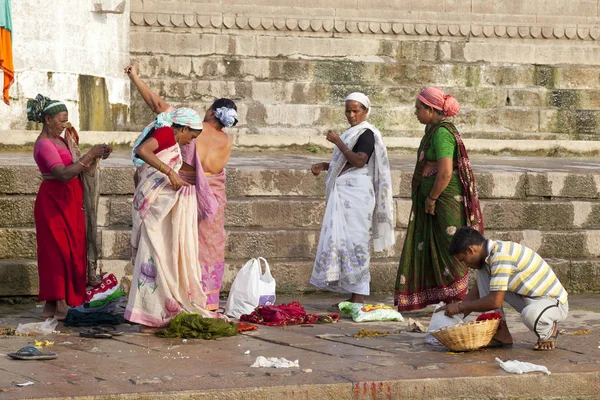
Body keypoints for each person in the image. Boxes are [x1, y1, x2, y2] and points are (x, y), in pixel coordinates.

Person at [125, 64, 238, 311]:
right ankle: (206, 300)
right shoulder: (226, 141)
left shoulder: (189, 126)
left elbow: (156, 105)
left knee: (179, 246)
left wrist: (135, 76)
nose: (192, 140)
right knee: (207, 246)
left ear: (210, 111)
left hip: (182, 192)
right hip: (211, 196)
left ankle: (180, 296)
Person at [125, 107, 222, 332]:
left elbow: (140, 173)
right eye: (191, 136)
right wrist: (170, 173)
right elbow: (142, 151)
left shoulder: (172, 140)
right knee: (153, 258)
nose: (189, 142)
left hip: (156, 207)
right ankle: (149, 316)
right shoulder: (167, 134)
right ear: (185, 128)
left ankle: (156, 314)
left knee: (160, 259)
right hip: (152, 211)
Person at [395, 87, 483, 312]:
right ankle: (445, 299)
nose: (415, 112)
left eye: (418, 108)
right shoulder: (431, 130)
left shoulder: (442, 133)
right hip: (435, 199)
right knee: (437, 248)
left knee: (449, 249)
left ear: (431, 110)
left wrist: (432, 198)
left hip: (445, 201)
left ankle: (455, 301)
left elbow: (444, 172)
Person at [28, 94, 111, 320]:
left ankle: (56, 303)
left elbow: (76, 166)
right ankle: (60, 302)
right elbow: (63, 174)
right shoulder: (44, 144)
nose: (65, 125)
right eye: (61, 120)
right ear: (47, 119)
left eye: (66, 120)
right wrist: (90, 154)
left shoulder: (61, 140)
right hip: (54, 203)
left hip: (71, 201)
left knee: (74, 248)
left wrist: (96, 156)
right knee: (57, 252)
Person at [310, 92, 395, 304]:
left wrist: (338, 142)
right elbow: (347, 164)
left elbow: (359, 161)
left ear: (365, 111)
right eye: (348, 110)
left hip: (357, 197)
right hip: (347, 194)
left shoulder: (366, 133)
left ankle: (359, 295)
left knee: (357, 241)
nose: (351, 115)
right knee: (344, 242)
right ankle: (352, 292)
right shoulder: (353, 133)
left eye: (355, 110)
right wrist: (326, 166)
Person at [440, 227, 568, 351]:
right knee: (483, 272)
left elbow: (495, 302)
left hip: (552, 302)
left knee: (531, 315)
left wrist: (460, 307)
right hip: (528, 298)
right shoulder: (488, 258)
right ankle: (501, 334)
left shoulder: (501, 255)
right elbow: (477, 291)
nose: (466, 265)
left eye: (463, 260)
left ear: (471, 249)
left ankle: (550, 331)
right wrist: (453, 315)